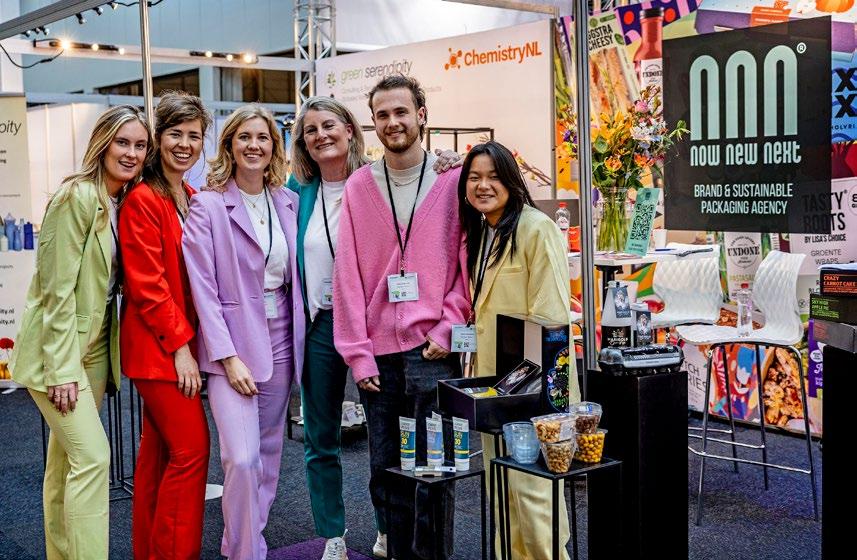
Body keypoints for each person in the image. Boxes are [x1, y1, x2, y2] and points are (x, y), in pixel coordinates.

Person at [287, 96, 462, 560]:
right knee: (327, 437)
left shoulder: (384, 178)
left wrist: (450, 160)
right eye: (310, 130)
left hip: (392, 329)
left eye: (329, 125)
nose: (321, 135)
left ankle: (394, 534)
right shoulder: (297, 192)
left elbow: (452, 252)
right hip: (326, 324)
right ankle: (334, 534)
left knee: (402, 447)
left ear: (350, 129)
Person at [333, 75, 469, 560]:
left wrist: (449, 327)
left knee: (437, 470)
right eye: (383, 114)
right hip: (379, 357)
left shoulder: (453, 181)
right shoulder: (359, 186)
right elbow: (347, 274)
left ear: (421, 115)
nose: (393, 122)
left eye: (401, 112)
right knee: (386, 471)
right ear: (374, 122)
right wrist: (357, 354)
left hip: (434, 351)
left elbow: (468, 263)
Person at [10, 105, 152, 559]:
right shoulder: (77, 196)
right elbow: (55, 293)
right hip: (58, 352)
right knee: (93, 458)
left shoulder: (120, 200)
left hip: (93, 348)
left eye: (140, 145)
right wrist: (62, 370)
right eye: (122, 142)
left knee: (64, 463)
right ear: (102, 144)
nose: (131, 153)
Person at [183, 104, 304, 560]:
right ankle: (245, 552)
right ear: (230, 146)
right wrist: (228, 356)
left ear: (275, 146)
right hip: (232, 345)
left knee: (268, 456)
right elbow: (203, 289)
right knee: (241, 457)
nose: (254, 145)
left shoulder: (287, 201)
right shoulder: (208, 205)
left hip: (282, 337)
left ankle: (245, 543)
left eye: (263, 137)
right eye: (245, 137)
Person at [459, 141, 582, 560]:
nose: (483, 185)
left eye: (493, 177)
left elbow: (552, 319)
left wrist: (533, 394)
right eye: (474, 178)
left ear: (512, 180)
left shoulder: (536, 228)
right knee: (503, 488)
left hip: (533, 389)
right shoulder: (484, 231)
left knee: (534, 492)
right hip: (496, 387)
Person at [119, 91, 212, 559]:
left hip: (176, 345)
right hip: (160, 350)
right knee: (192, 452)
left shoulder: (189, 196)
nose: (185, 144)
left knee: (158, 456)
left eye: (194, 136)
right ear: (158, 138)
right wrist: (181, 349)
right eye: (176, 133)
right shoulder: (143, 199)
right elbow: (148, 286)